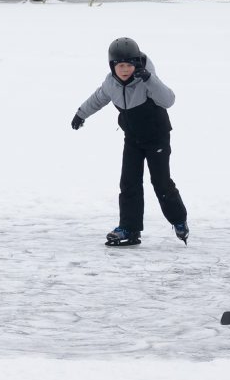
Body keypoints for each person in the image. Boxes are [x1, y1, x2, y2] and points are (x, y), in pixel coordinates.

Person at [71, 37, 188, 246]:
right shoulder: (111, 83)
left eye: (129, 65)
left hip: (157, 138)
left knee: (161, 183)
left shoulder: (146, 80)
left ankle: (179, 220)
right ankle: (129, 229)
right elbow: (97, 99)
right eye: (120, 66)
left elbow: (168, 100)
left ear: (137, 64)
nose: (125, 70)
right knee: (129, 183)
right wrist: (81, 114)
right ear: (112, 67)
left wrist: (150, 79)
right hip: (133, 138)